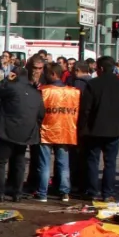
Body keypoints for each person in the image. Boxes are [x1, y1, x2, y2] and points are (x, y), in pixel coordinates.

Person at [79, 57, 119, 200]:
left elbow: (86, 109)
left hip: (94, 128)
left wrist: (82, 127)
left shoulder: (93, 84)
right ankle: (108, 192)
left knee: (93, 161)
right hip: (114, 129)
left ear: (101, 69)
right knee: (110, 162)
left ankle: (92, 191)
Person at [0, 58, 46, 201]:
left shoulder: (11, 87)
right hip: (26, 132)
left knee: (1, 162)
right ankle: (17, 193)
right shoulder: (36, 93)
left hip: (7, 130)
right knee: (20, 162)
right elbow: (41, 114)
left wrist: (6, 80)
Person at [36, 64, 80, 202]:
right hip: (65, 130)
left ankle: (43, 193)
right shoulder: (74, 92)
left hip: (47, 129)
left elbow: (38, 112)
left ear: (53, 74)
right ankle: (64, 192)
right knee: (63, 164)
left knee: (44, 164)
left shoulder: (43, 90)